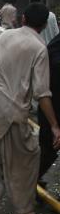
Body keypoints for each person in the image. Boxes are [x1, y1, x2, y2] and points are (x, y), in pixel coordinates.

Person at [0, 3, 60, 214]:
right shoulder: (39, 48)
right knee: (26, 159)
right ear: (43, 26)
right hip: (10, 110)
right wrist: (55, 126)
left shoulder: (5, 36)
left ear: (22, 19)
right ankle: (25, 213)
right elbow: (42, 93)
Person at [39, 34, 60, 181]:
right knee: (48, 150)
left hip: (50, 109)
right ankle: (28, 183)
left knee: (47, 150)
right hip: (52, 109)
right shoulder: (54, 48)